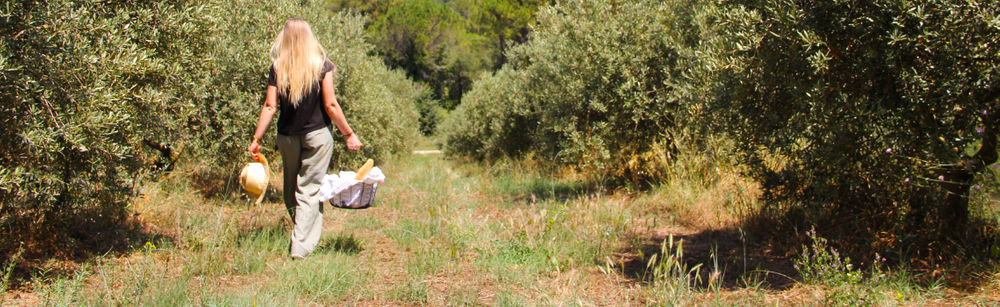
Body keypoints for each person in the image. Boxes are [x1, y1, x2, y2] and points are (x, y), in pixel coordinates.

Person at [248, 18, 362, 259]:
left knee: (292, 188)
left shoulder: (278, 67)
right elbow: (330, 105)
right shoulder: (321, 65)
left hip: (287, 137)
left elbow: (270, 106)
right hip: (318, 136)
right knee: (308, 189)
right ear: (309, 36)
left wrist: (257, 137)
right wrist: (348, 134)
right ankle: (301, 245)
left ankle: (302, 238)